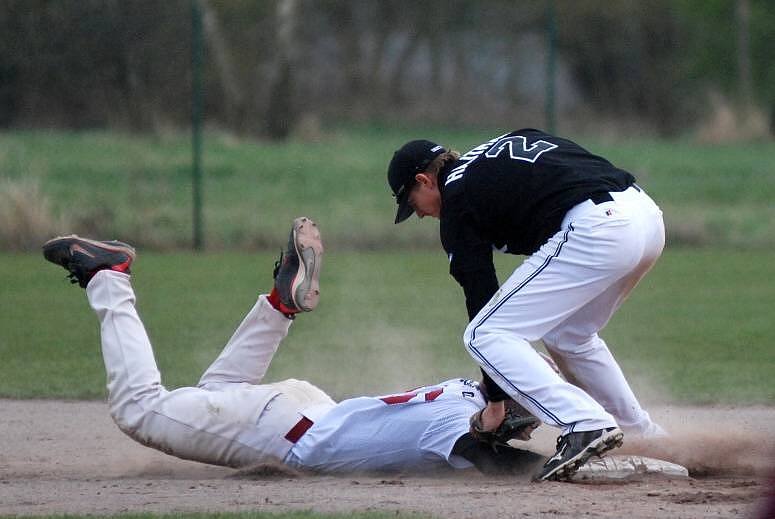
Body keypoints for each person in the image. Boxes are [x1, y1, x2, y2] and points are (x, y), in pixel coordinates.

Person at [42, 218, 544, 477]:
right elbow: (505, 463)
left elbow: (490, 426)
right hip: (287, 434)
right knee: (139, 410)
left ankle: (280, 307)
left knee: (217, 394)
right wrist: (593, 462)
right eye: (533, 404)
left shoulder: (464, 392)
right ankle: (107, 278)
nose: (533, 419)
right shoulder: (459, 428)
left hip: (306, 411)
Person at [387, 129, 667, 481]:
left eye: (412, 204)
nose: (422, 216)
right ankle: (642, 437)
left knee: (483, 335)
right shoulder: (491, 155)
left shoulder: (456, 197)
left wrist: (494, 402)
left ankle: (585, 423)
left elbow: (480, 295)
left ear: (424, 180)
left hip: (600, 229)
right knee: (570, 335)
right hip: (645, 217)